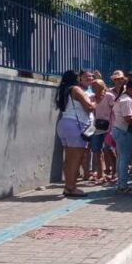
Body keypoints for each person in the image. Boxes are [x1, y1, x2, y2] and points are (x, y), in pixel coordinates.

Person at [55, 70, 95, 198]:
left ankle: (68, 186)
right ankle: (71, 188)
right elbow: (89, 107)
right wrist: (96, 101)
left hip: (64, 124)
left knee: (68, 159)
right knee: (76, 159)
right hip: (75, 126)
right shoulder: (76, 89)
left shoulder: (64, 90)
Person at [111, 79, 132, 193]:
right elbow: (128, 118)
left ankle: (121, 184)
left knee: (121, 158)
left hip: (121, 131)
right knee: (124, 158)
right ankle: (123, 185)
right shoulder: (126, 101)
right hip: (124, 131)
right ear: (129, 89)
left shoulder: (124, 99)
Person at [90, 79, 116, 184]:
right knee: (96, 151)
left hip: (108, 127)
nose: (93, 87)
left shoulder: (109, 96)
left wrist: (113, 125)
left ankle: (114, 172)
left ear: (102, 86)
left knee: (108, 149)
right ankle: (100, 174)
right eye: (92, 86)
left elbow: (115, 110)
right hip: (96, 128)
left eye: (95, 85)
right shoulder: (91, 98)